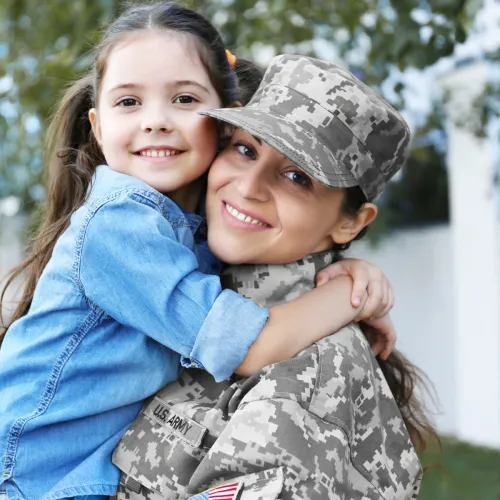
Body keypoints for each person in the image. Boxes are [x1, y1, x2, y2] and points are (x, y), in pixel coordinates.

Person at [0, 4, 396, 500]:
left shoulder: (193, 230)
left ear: (221, 124)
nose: (155, 122)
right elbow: (245, 345)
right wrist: (350, 298)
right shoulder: (118, 225)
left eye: (184, 99)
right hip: (35, 478)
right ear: (98, 129)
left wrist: (346, 269)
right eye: (129, 103)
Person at [113, 55, 436, 500]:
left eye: (296, 177)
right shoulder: (175, 272)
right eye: (245, 149)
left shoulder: (309, 368)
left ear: (350, 223)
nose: (248, 187)